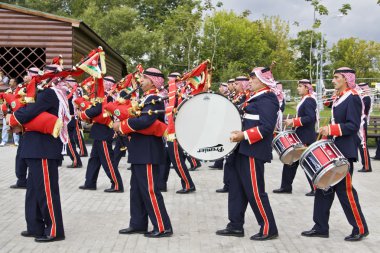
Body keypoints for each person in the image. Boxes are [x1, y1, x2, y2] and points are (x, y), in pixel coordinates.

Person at [301, 67, 369, 241]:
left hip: (344, 152)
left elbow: (353, 126)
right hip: (334, 150)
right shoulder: (340, 97)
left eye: (336, 77)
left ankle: (360, 228)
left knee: (345, 191)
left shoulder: (353, 98)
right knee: (323, 188)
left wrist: (331, 129)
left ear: (346, 79)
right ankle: (320, 227)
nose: (333, 80)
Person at [216, 67, 279, 241]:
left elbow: (266, 127)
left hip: (253, 150)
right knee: (236, 189)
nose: (249, 81)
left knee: (255, 191)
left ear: (263, 80)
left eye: (252, 78)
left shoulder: (268, 98)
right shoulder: (255, 97)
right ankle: (235, 225)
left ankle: (268, 228)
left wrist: (243, 135)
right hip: (242, 149)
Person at [10, 69, 67, 242]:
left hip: (43, 148)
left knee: (47, 192)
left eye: (42, 75)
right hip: (34, 147)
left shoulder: (49, 93)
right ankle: (35, 227)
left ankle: (55, 230)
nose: (37, 77)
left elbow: (28, 112)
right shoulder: (42, 92)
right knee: (34, 191)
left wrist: (11, 117)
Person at [116, 68, 172, 238]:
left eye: (144, 78)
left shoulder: (155, 98)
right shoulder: (146, 98)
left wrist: (122, 126)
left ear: (153, 81)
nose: (140, 81)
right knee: (137, 190)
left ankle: (162, 227)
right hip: (139, 149)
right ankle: (138, 223)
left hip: (148, 150)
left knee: (149, 190)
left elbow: (145, 121)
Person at [273, 79, 316, 196]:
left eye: (300, 86)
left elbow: (311, 118)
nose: (298, 88)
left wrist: (294, 121)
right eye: (298, 86)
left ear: (307, 88)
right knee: (290, 161)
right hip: (299, 136)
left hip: (306, 137)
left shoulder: (309, 100)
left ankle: (316, 188)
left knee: (307, 163)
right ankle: (286, 186)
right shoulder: (304, 100)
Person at [357, 83, 372, 172]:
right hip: (359, 122)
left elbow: (361, 110)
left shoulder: (366, 98)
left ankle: (367, 166)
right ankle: (365, 165)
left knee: (363, 145)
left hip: (362, 122)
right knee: (361, 145)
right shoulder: (361, 97)